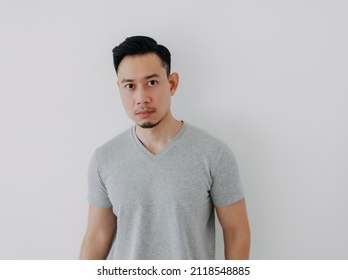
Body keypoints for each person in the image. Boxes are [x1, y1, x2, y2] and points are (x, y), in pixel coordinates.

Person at [79, 36, 250, 260]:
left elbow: (237, 233)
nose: (141, 98)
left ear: (172, 84)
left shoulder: (214, 154)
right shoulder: (105, 159)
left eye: (152, 82)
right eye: (130, 86)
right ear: (120, 89)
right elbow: (97, 236)